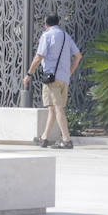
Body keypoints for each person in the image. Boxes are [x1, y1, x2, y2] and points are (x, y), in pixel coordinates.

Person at [23, 14, 82, 149]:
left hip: (51, 79)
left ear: (46, 24)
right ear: (58, 22)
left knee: (58, 109)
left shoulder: (47, 36)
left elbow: (38, 57)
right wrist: (69, 72)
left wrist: (28, 75)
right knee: (52, 109)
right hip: (64, 79)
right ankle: (44, 138)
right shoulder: (66, 36)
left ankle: (66, 140)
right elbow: (78, 56)